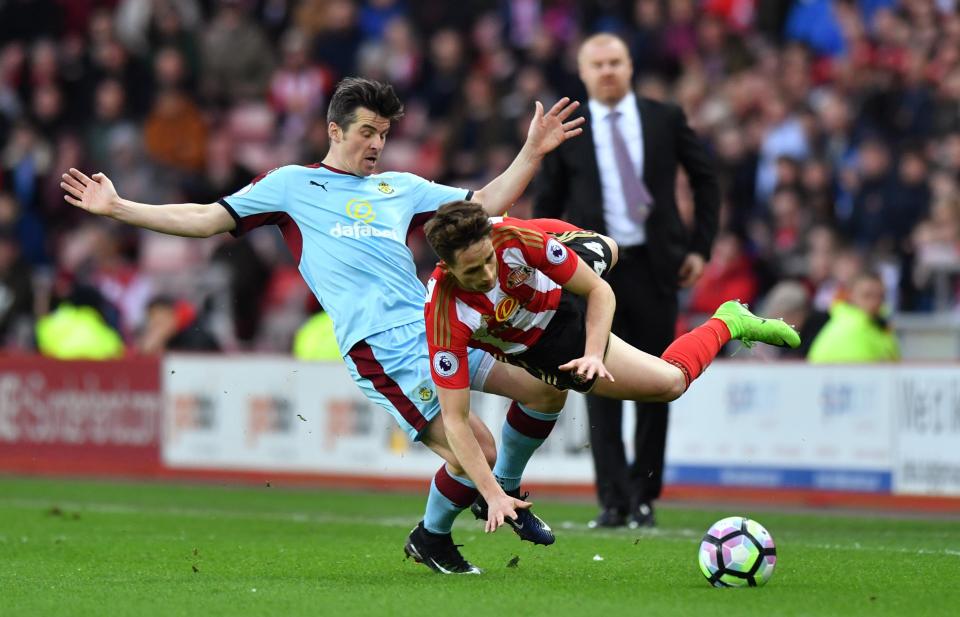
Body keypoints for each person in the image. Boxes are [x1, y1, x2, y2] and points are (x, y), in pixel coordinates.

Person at [61, 77, 585, 575]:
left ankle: (500, 489)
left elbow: (482, 206)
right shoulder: (291, 185)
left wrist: (532, 152)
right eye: (366, 132)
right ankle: (433, 536)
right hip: (380, 349)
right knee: (478, 451)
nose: (377, 143)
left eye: (384, 133)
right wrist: (119, 208)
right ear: (334, 130)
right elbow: (206, 218)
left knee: (545, 390)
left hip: (437, 329)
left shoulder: (397, 187)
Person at [422, 201, 798, 524]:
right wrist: (491, 496)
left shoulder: (512, 238)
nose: (487, 275)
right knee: (670, 384)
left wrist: (593, 351)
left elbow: (600, 290)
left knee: (610, 248)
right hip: (548, 339)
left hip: (563, 287)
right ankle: (727, 322)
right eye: (473, 272)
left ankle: (728, 316)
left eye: (488, 260)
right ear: (447, 266)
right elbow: (455, 420)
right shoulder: (443, 313)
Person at [533, 33, 721, 528]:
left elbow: (706, 179)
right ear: (583, 71)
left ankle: (644, 496)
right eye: (598, 64)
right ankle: (612, 500)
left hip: (657, 267)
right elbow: (547, 202)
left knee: (660, 376)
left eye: (616, 62)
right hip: (593, 267)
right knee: (596, 378)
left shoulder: (665, 118)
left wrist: (700, 247)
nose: (608, 71)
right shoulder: (568, 127)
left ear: (631, 65)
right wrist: (546, 266)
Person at [808, 271, 900, 363]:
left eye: (881, 296)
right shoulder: (849, 328)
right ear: (850, 295)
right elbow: (866, 374)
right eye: (867, 295)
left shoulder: (879, 326)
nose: (875, 302)